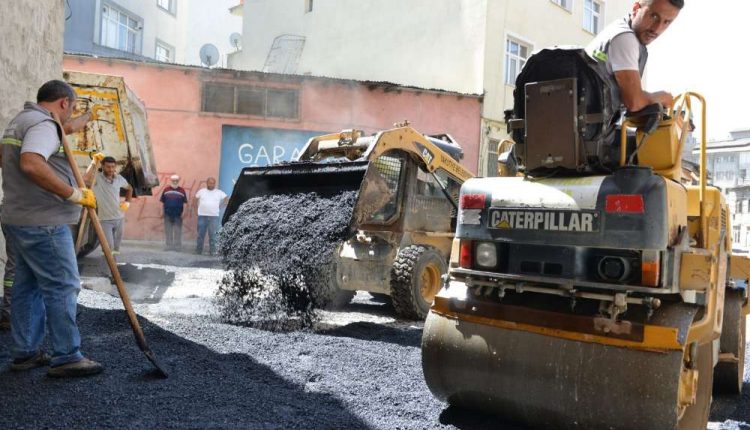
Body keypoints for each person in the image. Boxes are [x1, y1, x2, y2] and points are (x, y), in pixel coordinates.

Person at [1, 79, 103, 377]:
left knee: (26, 287)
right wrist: (70, 193)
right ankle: (67, 355)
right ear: (63, 103)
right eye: (71, 110)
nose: (70, 117)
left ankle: (26, 353)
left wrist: (86, 118)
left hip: (18, 218)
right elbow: (32, 163)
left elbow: (10, 157)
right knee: (62, 285)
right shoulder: (45, 126)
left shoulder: (22, 121)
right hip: (44, 222)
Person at [586, 0, 683, 119]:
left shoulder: (619, 29)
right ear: (636, 8)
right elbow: (634, 102)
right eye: (654, 16)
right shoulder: (625, 38)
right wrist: (663, 97)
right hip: (591, 131)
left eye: (666, 22)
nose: (657, 28)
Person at [85, 156, 132, 256]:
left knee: (116, 250)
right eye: (108, 167)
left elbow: (130, 188)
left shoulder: (119, 178)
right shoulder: (97, 178)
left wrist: (128, 202)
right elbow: (85, 179)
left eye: (113, 167)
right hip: (105, 220)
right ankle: (109, 270)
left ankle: (113, 269)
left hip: (120, 218)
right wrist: (93, 163)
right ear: (102, 166)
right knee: (108, 249)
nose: (111, 169)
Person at [194, 177, 228, 255]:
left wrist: (221, 206)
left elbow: (226, 199)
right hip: (202, 216)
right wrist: (195, 208)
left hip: (214, 217)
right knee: (200, 235)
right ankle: (198, 250)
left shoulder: (219, 192)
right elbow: (195, 199)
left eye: (213, 183)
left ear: (214, 184)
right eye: (210, 183)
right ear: (207, 183)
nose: (211, 184)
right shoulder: (201, 191)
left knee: (213, 235)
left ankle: (212, 251)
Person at [160, 174, 188, 251]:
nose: (175, 182)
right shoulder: (166, 190)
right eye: (173, 180)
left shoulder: (182, 190)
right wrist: (161, 212)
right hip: (167, 213)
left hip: (178, 214)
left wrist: (184, 213)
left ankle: (177, 247)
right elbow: (162, 202)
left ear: (178, 181)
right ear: (171, 181)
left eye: (176, 181)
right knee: (168, 230)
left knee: (177, 230)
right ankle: (168, 246)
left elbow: (185, 203)